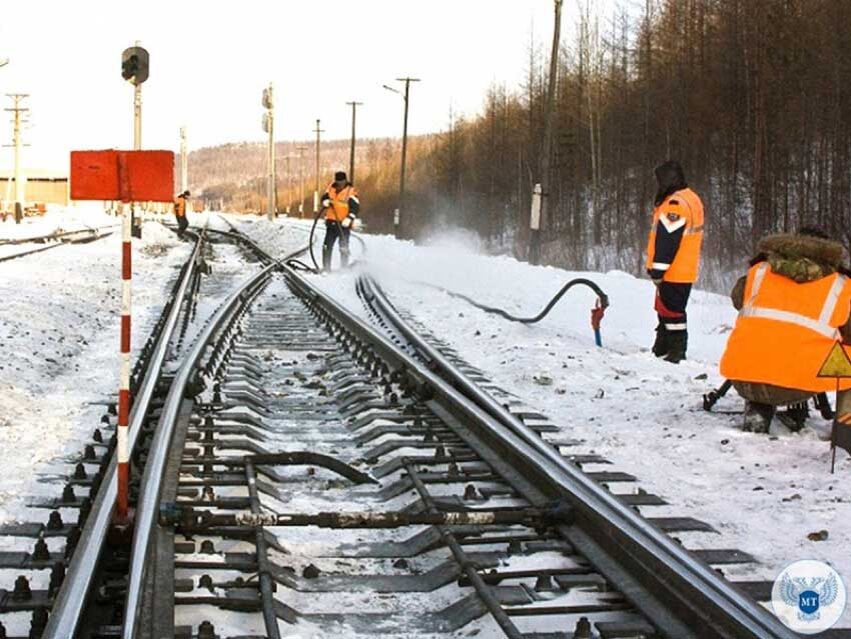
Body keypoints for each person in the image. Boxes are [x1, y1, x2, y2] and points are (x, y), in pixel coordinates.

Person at [719, 227, 851, 432]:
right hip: (797, 384)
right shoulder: (841, 285)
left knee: (767, 336)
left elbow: (738, 300)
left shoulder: (760, 270)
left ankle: (758, 408)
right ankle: (845, 429)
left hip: (745, 378)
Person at [645, 161, 705, 363]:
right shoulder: (691, 197)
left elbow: (667, 240)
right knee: (667, 311)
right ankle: (662, 348)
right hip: (684, 269)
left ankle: (676, 353)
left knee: (672, 313)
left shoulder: (675, 204)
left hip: (674, 271)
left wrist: (658, 270)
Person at [320, 171, 359, 271]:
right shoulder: (331, 189)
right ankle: (326, 268)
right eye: (338, 182)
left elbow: (355, 208)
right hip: (331, 223)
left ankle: (344, 268)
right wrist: (325, 201)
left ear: (345, 181)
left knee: (343, 247)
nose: (339, 185)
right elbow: (324, 198)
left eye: (341, 182)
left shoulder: (351, 191)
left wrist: (349, 218)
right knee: (326, 246)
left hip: (344, 225)